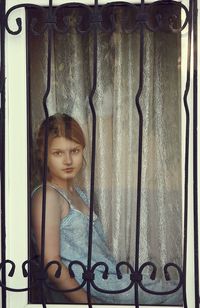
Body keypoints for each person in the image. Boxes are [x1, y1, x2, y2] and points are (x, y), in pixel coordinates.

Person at [31, 113, 182, 304]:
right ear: (43, 155)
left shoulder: (78, 194)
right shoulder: (47, 196)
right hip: (89, 289)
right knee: (176, 294)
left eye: (75, 151)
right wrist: (89, 303)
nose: (68, 160)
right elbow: (51, 265)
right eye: (58, 153)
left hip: (108, 282)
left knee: (177, 291)